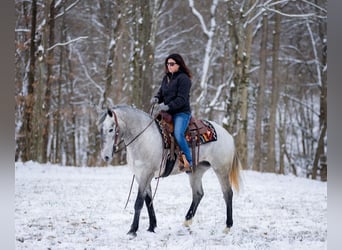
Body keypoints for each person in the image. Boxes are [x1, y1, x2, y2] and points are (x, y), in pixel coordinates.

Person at [151, 53, 193, 171]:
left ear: (179, 65)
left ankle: (189, 161)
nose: (169, 66)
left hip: (181, 113)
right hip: (167, 113)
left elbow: (181, 99)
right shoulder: (167, 78)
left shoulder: (184, 79)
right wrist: (157, 98)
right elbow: (161, 93)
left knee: (178, 134)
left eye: (172, 64)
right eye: (167, 64)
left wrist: (167, 106)